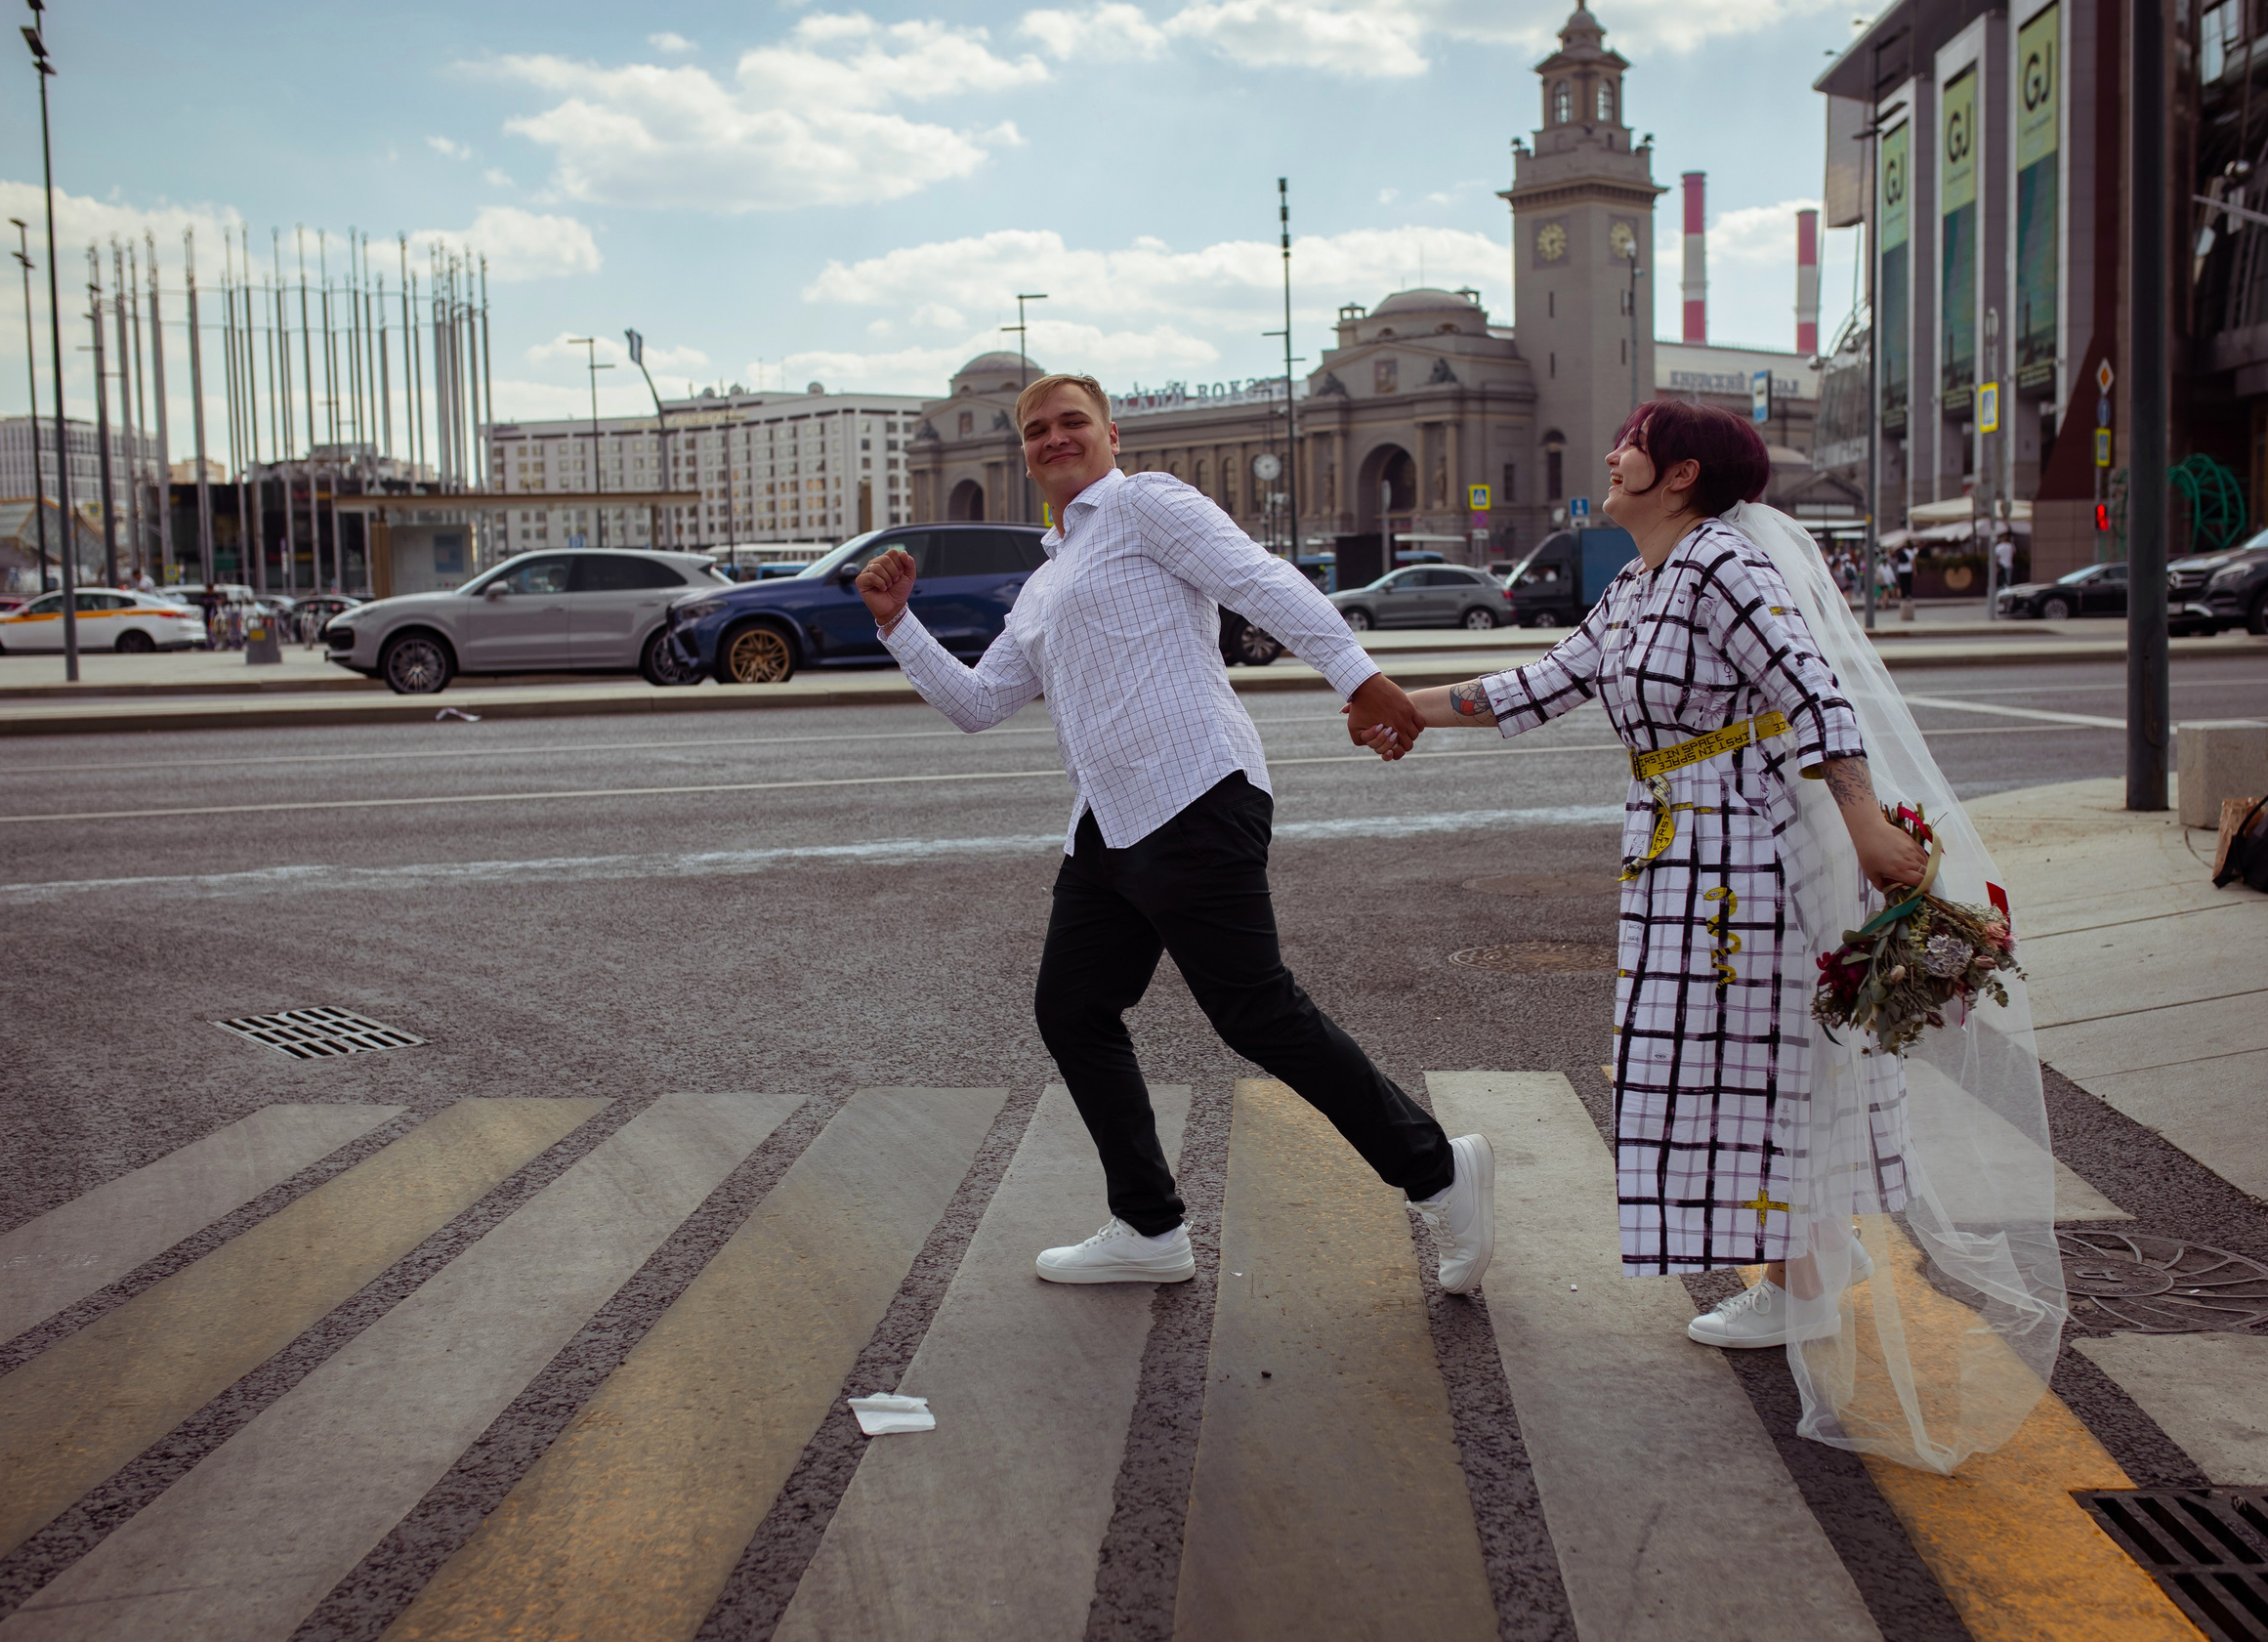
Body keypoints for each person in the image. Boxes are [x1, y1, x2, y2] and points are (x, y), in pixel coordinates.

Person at [1355, 400, 2064, 1474]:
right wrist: (1401, 703)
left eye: (1627, 441)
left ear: (1678, 473)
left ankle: (1798, 1289)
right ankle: (1799, 1281)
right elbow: (1542, 685)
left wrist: (1867, 823)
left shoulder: (1724, 565)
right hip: (1681, 849)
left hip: (1747, 855)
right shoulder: (1643, 581)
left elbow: (1817, 695)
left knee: (1757, 1064)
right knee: (1743, 1066)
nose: (1608, 450)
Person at [854, 372, 1495, 1293]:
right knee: (1072, 1008)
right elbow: (979, 703)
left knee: (1256, 1012)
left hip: (1195, 791)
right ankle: (1150, 1225)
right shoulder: (1043, 581)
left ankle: (1440, 1173)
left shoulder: (1146, 504)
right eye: (1037, 430)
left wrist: (1361, 679)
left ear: (1111, 435)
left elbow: (1258, 580)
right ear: (1024, 453)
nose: (1055, 437)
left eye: (1072, 421)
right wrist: (897, 626)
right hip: (1109, 826)